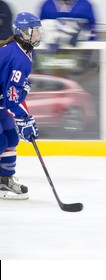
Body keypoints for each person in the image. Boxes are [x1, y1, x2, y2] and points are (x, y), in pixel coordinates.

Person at [0, 12, 41, 200]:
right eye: (34, 31)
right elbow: (12, 96)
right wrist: (24, 118)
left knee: (11, 138)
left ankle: (4, 180)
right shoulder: (18, 56)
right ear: (23, 32)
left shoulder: (26, 50)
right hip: (3, 100)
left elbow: (13, 89)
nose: (38, 35)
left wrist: (23, 89)